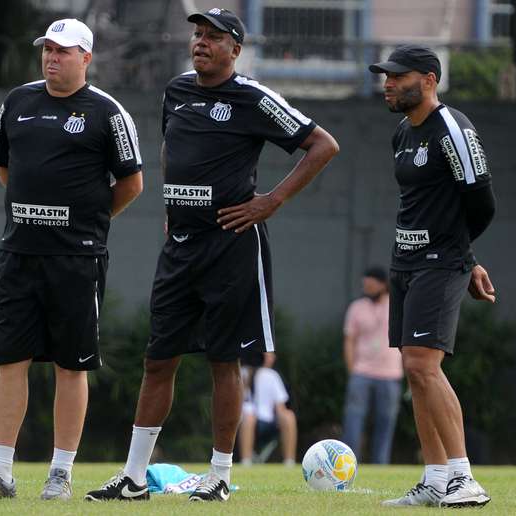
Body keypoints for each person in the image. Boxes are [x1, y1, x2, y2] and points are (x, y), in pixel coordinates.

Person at [85, 8, 338, 503]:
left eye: (213, 37)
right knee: (158, 361)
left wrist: (271, 201)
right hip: (180, 245)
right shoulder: (176, 90)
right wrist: (172, 204)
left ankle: (219, 475)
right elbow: (168, 149)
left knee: (225, 363)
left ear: (235, 49)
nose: (200, 42)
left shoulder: (253, 98)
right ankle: (134, 478)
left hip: (231, 245)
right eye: (197, 34)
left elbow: (322, 145)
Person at [0, 18, 143, 500]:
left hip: (76, 259)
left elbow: (131, 184)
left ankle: (60, 474)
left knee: (70, 365)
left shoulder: (108, 113)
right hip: (19, 253)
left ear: (86, 58)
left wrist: (85, 225)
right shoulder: (18, 101)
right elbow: (3, 167)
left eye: (63, 51)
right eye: (47, 49)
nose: (51, 57)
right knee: (10, 360)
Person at [368, 45, 497, 508]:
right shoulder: (403, 132)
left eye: (397, 77)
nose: (387, 84)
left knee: (424, 365)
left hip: (439, 263)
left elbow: (481, 203)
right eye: (385, 77)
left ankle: (465, 480)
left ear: (428, 79)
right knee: (414, 371)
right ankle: (435, 479)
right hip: (404, 262)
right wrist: (471, 257)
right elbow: (428, 203)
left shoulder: (454, 130)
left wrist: (461, 257)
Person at [341, 266, 403, 464]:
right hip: (362, 372)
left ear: (383, 284)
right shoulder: (357, 307)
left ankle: (381, 463)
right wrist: (352, 369)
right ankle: (349, 462)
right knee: (354, 419)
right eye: (365, 283)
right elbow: (349, 339)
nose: (367, 287)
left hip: (391, 374)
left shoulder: (396, 304)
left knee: (386, 422)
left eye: (371, 283)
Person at [238, 352, 297, 466]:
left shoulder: (272, 375)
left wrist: (283, 418)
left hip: (268, 421)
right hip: (245, 422)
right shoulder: (242, 372)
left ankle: (289, 461)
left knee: (289, 416)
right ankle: (246, 461)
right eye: (269, 354)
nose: (273, 357)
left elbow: (280, 406)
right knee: (249, 417)